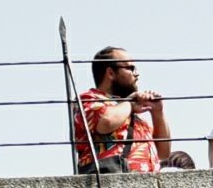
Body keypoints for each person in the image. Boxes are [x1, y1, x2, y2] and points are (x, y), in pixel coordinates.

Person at [71, 45, 172, 174]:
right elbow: (105, 123)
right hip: (110, 183)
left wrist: (158, 112)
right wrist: (130, 103)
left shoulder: (127, 109)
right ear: (111, 73)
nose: (136, 73)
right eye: (130, 68)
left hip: (146, 184)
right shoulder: (89, 99)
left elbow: (163, 152)